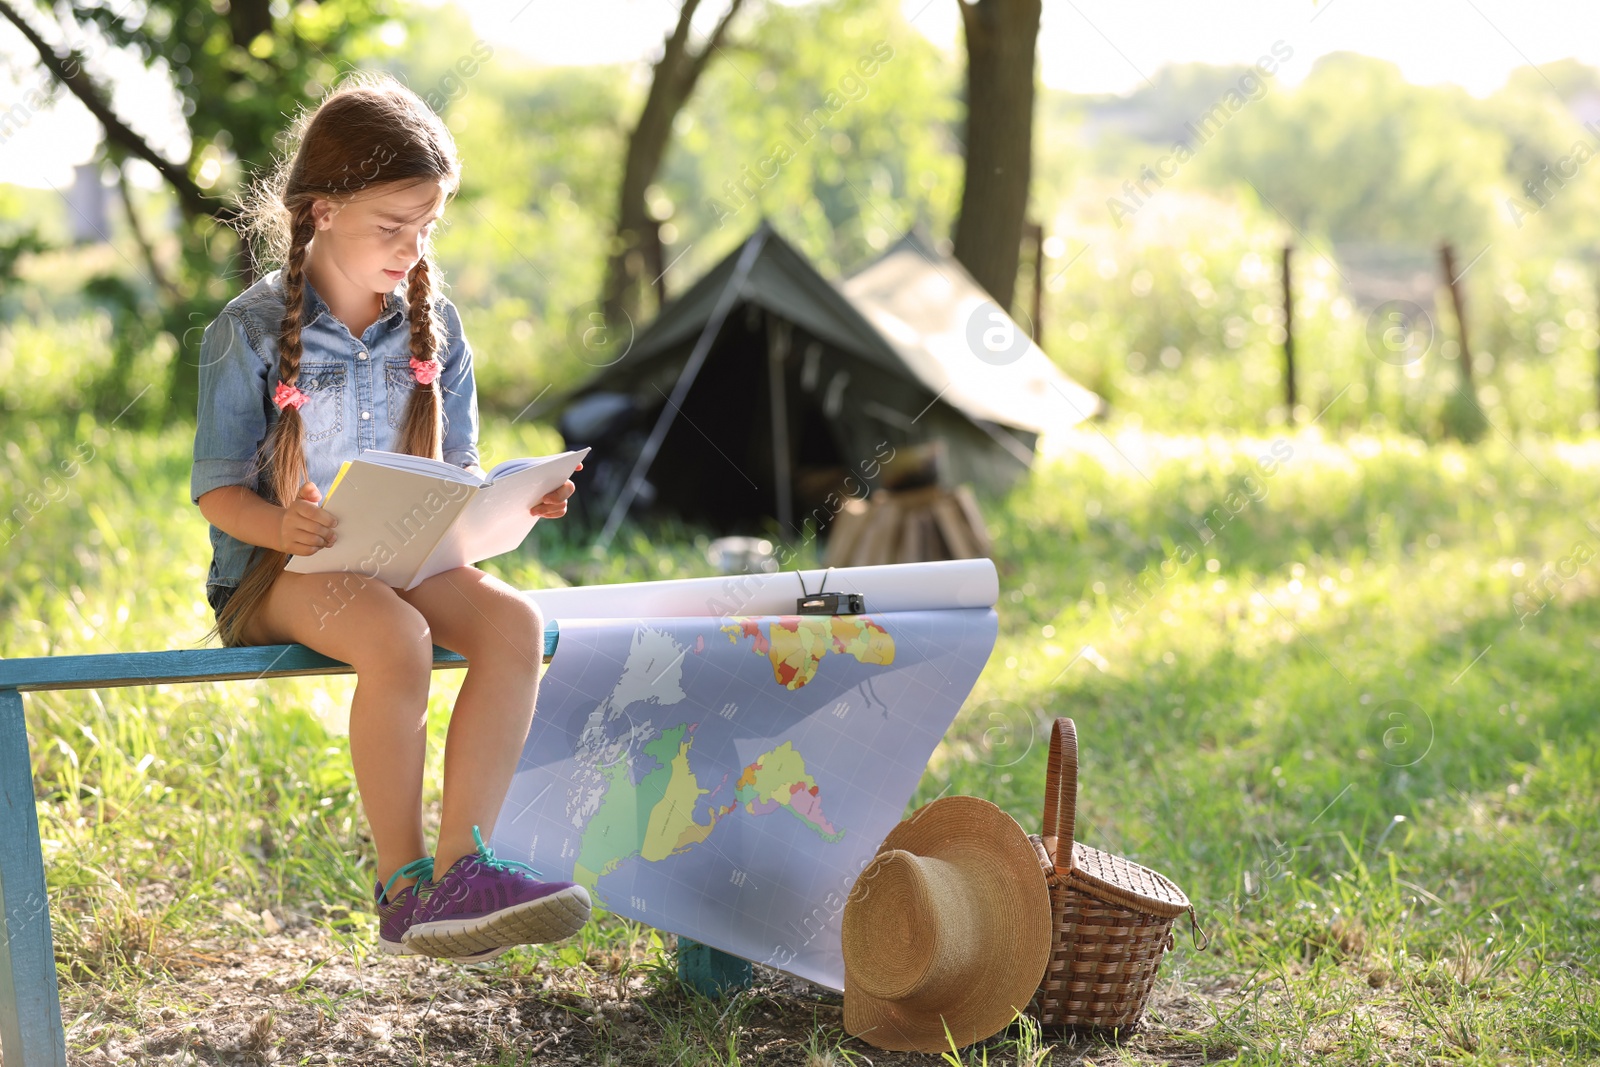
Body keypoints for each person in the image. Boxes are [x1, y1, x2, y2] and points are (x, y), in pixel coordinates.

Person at [190, 73, 590, 962]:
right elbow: (217, 491)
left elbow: (458, 477)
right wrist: (282, 528)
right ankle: (405, 886)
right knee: (398, 638)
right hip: (273, 573)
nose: (412, 249)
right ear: (322, 210)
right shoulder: (249, 329)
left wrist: (514, 501)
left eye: (427, 227)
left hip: (403, 554)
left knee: (517, 624)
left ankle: (464, 871)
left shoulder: (434, 324)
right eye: (392, 225)